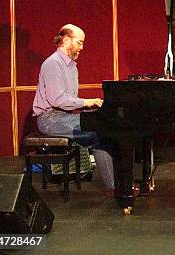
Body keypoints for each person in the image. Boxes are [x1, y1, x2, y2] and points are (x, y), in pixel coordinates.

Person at [32, 24, 115, 192]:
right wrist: (87, 102)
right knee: (98, 133)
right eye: (79, 42)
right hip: (49, 119)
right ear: (66, 40)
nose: (82, 47)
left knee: (102, 126)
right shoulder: (53, 63)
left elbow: (70, 100)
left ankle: (116, 183)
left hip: (62, 116)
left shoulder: (72, 66)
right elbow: (57, 99)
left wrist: (88, 111)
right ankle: (114, 187)